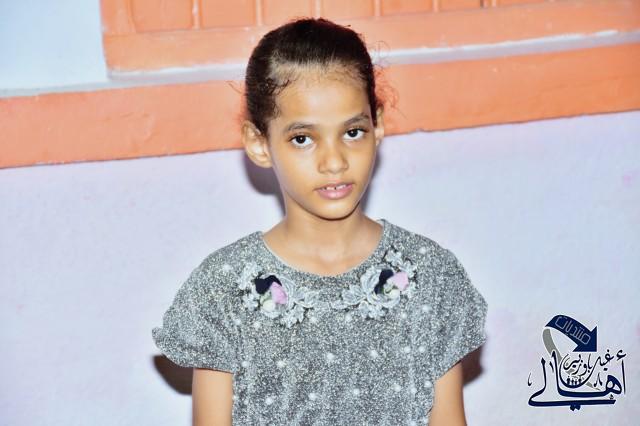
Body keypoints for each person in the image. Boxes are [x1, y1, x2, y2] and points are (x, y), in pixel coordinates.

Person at [152, 17, 488, 426]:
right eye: (302, 139)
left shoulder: (430, 276)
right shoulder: (222, 290)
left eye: (352, 132)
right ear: (259, 144)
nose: (334, 161)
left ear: (378, 125)